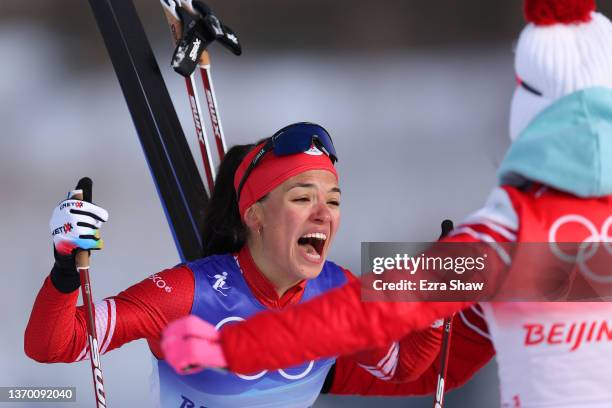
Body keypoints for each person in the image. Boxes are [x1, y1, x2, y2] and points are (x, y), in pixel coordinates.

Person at [160, 0, 612, 406]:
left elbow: (364, 312)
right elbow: (446, 364)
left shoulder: (501, 239)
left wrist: (235, 346)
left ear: (529, 109)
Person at [25, 122, 445, 408]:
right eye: (302, 198)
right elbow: (54, 345)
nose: (324, 213)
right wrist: (65, 267)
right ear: (254, 216)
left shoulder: (337, 289)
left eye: (333, 201)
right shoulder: (189, 293)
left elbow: (398, 365)